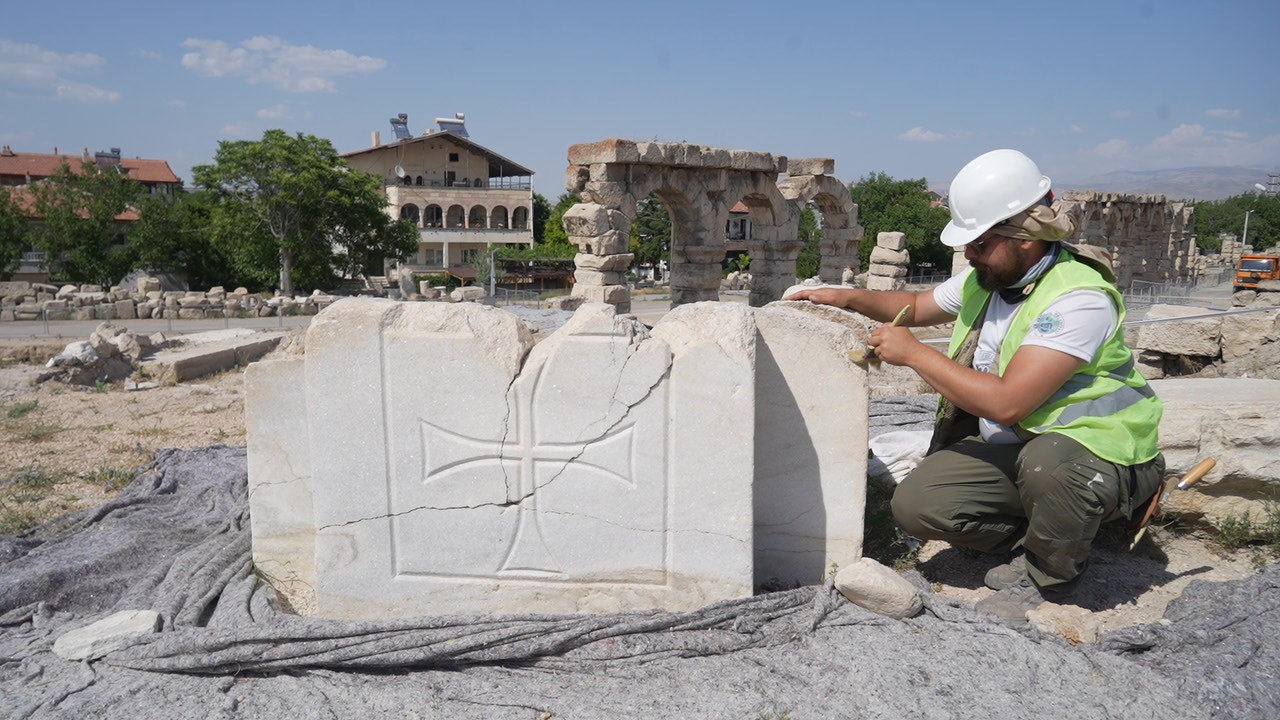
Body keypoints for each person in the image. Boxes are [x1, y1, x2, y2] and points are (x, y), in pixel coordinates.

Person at [787, 149, 1165, 622]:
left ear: (1024, 238)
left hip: (1101, 452)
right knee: (920, 505)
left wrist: (914, 354)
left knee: (1049, 466)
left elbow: (1007, 403)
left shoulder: (1076, 298)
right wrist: (844, 296)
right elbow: (918, 306)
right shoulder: (989, 277)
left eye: (979, 243)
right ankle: (1050, 537)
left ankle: (1050, 575)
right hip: (1026, 447)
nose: (969, 253)